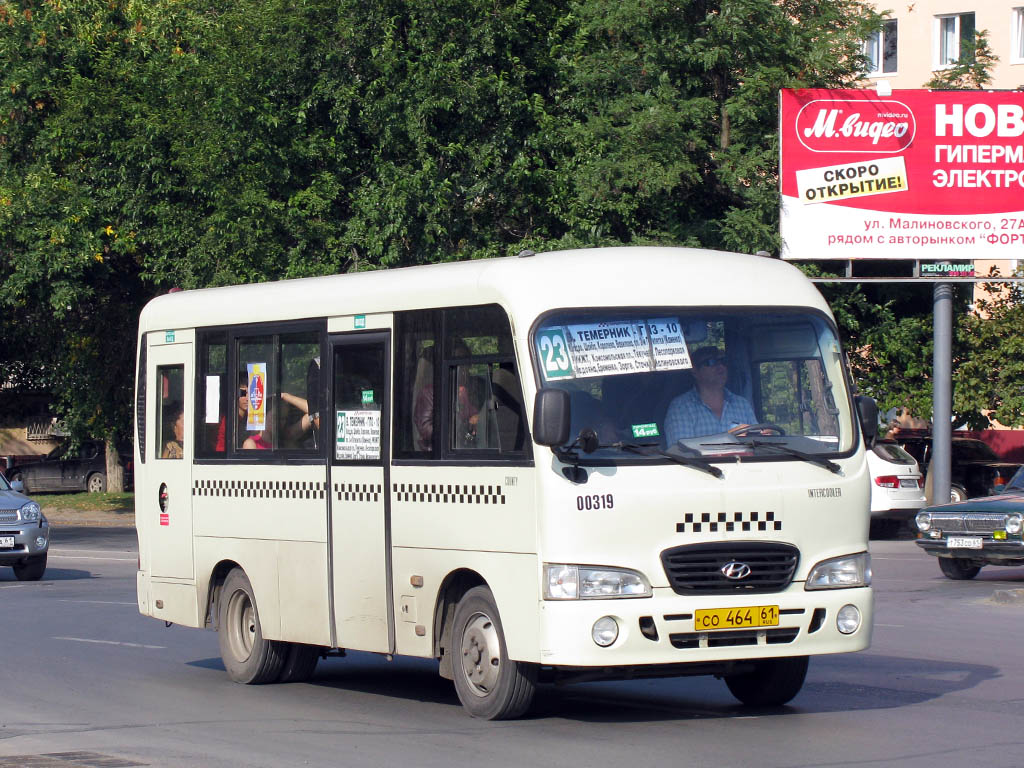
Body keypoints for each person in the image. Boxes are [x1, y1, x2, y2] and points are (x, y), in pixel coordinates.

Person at [663, 346, 756, 443]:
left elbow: (758, 444)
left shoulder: (742, 404)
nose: (720, 367)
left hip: (743, 459)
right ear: (695, 371)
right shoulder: (681, 407)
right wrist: (729, 436)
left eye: (723, 361)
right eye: (711, 362)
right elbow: (682, 452)